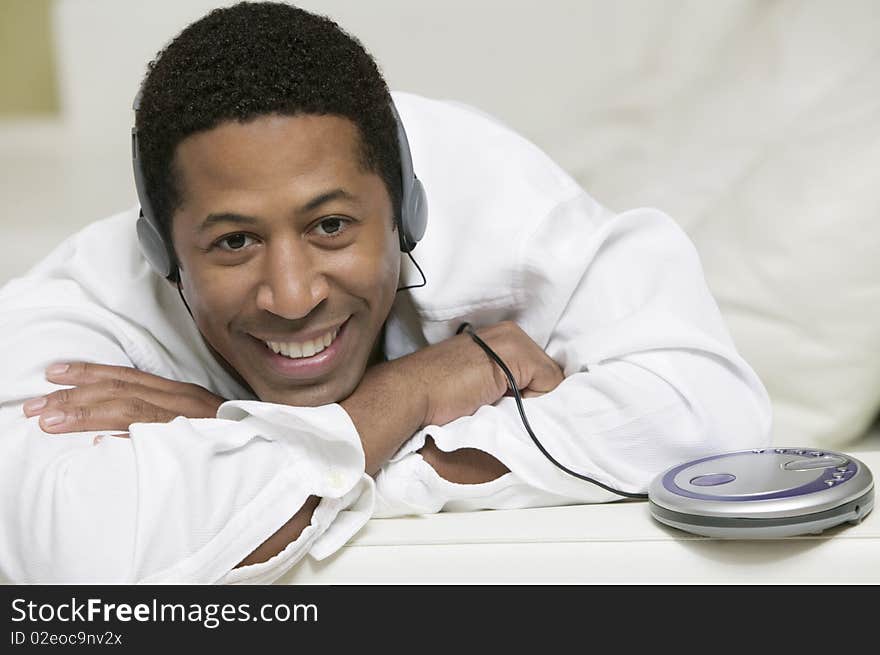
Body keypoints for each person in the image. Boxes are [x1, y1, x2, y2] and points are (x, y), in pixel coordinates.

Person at [0, 2, 770, 583]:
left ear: (407, 210)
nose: (293, 295)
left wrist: (257, 455)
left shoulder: (495, 202)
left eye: (331, 225)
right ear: (161, 251)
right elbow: (85, 566)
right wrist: (398, 398)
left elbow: (712, 416)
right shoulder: (73, 320)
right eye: (234, 241)